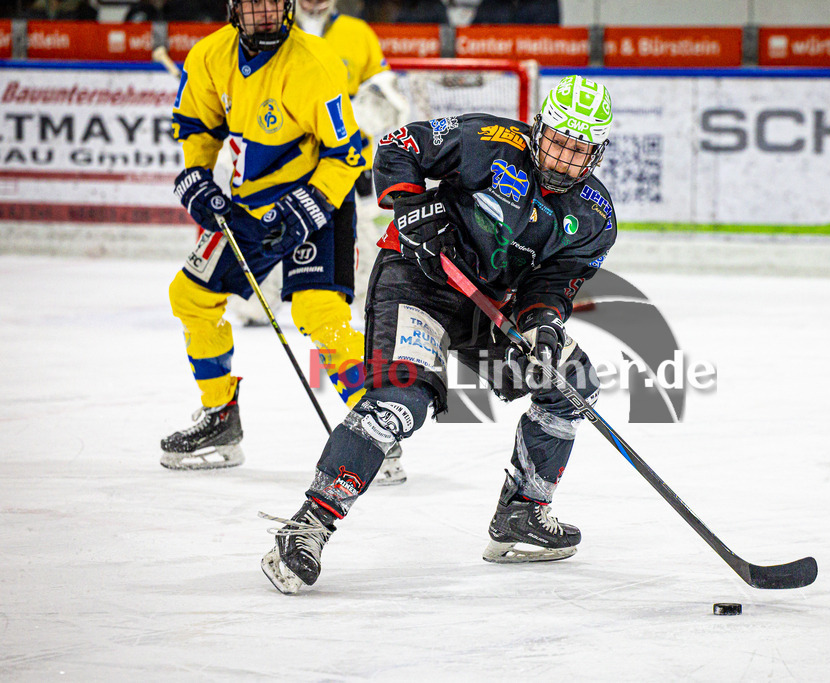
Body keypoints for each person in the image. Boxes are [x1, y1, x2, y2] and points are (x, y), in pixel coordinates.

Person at [260, 75, 616, 594]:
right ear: (538, 129)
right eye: (557, 143)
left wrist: (542, 327)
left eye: (577, 152)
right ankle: (308, 526)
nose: (562, 160)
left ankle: (522, 512)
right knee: (400, 402)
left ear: (597, 155)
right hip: (418, 279)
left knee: (570, 383)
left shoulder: (595, 218)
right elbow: (398, 145)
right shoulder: (488, 140)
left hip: (489, 307)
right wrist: (412, 209)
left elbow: (553, 284)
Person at [160, 0, 368, 470]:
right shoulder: (209, 56)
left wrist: (309, 205)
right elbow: (197, 126)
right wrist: (196, 175)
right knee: (191, 297)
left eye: (276, 0)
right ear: (234, 8)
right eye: (255, 2)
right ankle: (220, 416)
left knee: (319, 311)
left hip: (319, 200)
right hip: (250, 203)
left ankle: (373, 427)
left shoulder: (315, 63)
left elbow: (347, 154)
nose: (267, 11)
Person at [229, 0, 411, 484]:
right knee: (256, 291)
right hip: (274, 183)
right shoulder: (266, 33)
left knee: (329, 305)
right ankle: (260, 301)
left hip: (337, 177)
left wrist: (364, 110)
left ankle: (374, 420)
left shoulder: (356, 33)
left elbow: (389, 93)